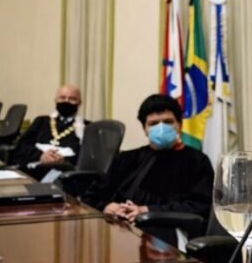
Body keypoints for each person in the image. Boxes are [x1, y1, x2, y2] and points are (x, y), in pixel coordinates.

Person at [82, 94, 214, 245]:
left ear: (179, 125)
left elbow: (199, 207)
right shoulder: (126, 158)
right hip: (117, 226)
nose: (161, 127)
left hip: (167, 229)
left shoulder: (197, 161)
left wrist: (146, 210)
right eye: (153, 123)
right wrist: (107, 206)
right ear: (144, 129)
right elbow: (92, 195)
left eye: (168, 122)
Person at [11, 84, 87, 180]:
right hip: (33, 171)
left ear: (79, 103)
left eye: (72, 99)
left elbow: (86, 157)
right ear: (55, 100)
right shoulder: (41, 121)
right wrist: (40, 156)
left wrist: (63, 161)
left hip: (64, 176)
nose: (66, 101)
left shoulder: (87, 127)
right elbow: (22, 146)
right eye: (62, 98)